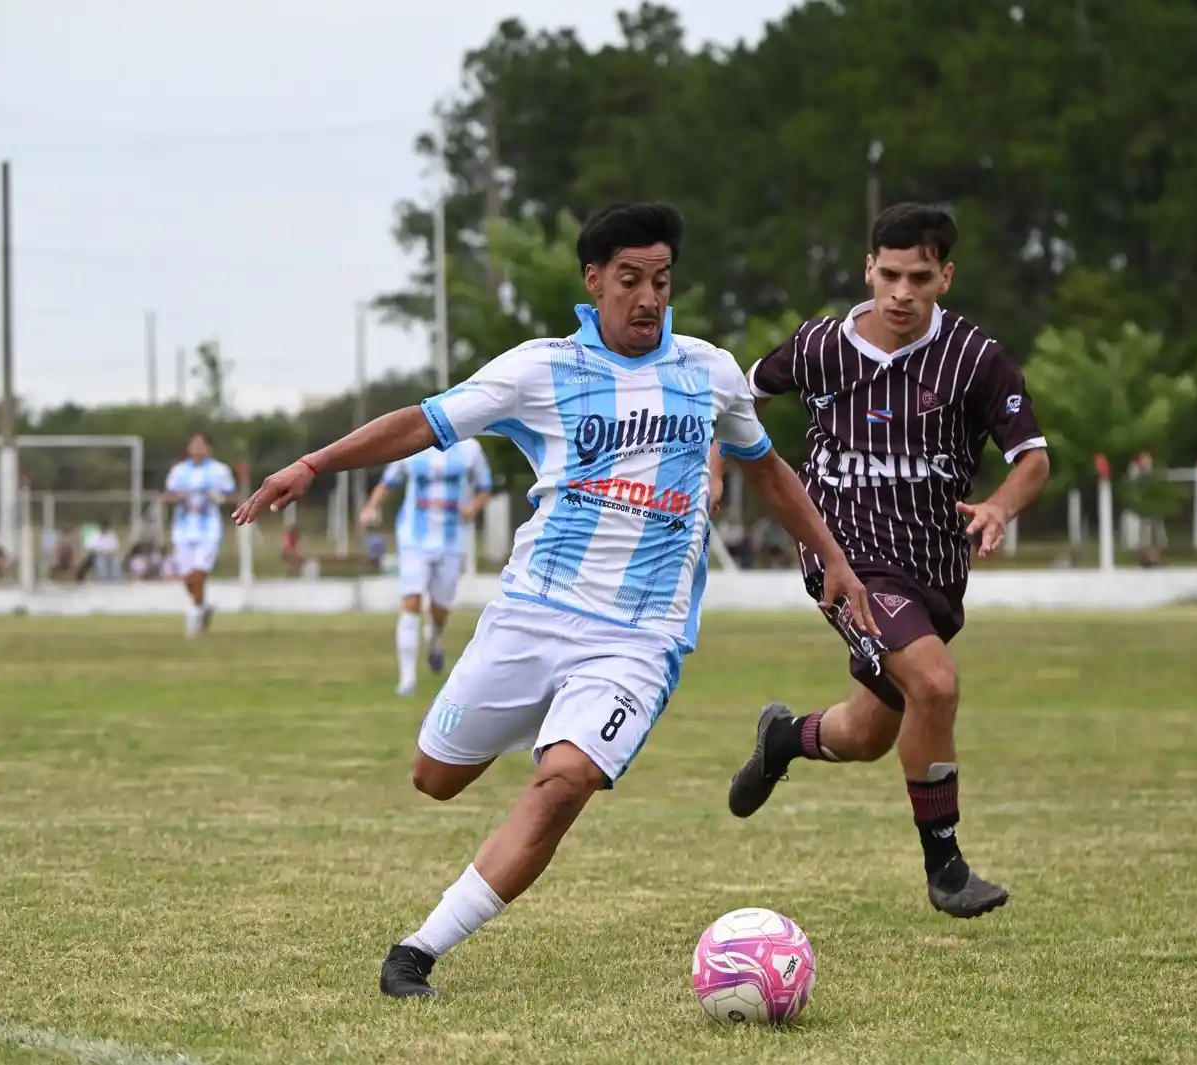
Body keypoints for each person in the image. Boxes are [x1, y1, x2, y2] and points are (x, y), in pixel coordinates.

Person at [233, 202, 876, 999]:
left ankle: (417, 951)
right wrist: (314, 464)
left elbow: (767, 469)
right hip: (532, 614)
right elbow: (424, 422)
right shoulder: (539, 369)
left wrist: (833, 557)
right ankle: (545, 714)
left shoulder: (709, 372)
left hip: (639, 639)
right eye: (631, 279)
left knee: (564, 782)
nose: (649, 297)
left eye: (662, 280)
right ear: (594, 280)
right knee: (435, 777)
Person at [714, 203, 1050, 920]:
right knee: (934, 681)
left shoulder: (975, 359)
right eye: (889, 274)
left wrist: (999, 506)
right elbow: (738, 398)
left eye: (919, 278)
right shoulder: (820, 346)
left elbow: (1034, 459)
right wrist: (715, 467)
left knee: (868, 734)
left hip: (932, 568)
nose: (901, 292)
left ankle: (783, 739)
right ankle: (946, 867)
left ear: (944, 277)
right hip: (843, 556)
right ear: (868, 268)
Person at [360, 438, 494, 693]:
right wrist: (371, 507)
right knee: (411, 602)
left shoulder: (470, 448)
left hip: (452, 538)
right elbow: (388, 482)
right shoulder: (411, 446)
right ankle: (407, 680)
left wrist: (473, 508)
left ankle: (434, 637)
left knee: (440, 609)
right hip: (413, 537)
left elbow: (485, 487)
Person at [162, 433, 237, 637]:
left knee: (199, 573)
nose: (197, 449)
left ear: (208, 448)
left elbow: (232, 496)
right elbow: (167, 496)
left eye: (201, 445)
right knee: (187, 577)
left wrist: (218, 497)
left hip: (209, 529)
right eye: (193, 445)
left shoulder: (219, 471)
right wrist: (178, 496)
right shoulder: (179, 471)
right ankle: (203, 606)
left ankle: (193, 618)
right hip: (183, 528)